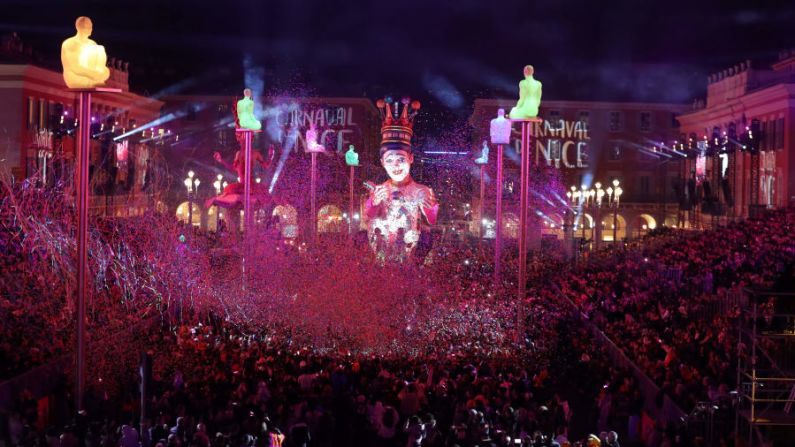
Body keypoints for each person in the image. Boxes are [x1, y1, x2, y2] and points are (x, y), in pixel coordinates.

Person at [61, 16, 110, 88]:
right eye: (87, 27)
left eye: (91, 26)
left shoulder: (92, 43)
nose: (90, 29)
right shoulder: (70, 43)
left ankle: (96, 80)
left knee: (101, 50)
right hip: (75, 77)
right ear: (78, 27)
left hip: (93, 76)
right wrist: (94, 75)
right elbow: (75, 67)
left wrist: (104, 72)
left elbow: (99, 65)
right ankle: (94, 81)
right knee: (93, 80)